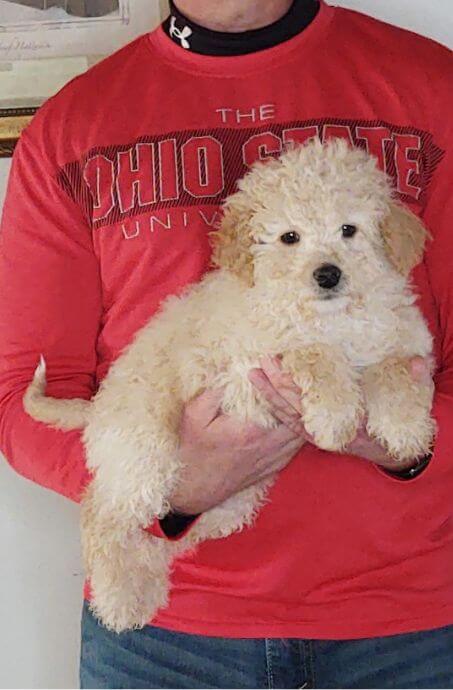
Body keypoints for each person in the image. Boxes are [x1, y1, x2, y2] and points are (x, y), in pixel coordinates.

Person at [0, 0, 452, 687]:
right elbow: (23, 394)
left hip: (412, 625)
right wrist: (173, 485)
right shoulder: (73, 125)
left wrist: (402, 439)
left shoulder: (431, 87)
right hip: (165, 638)